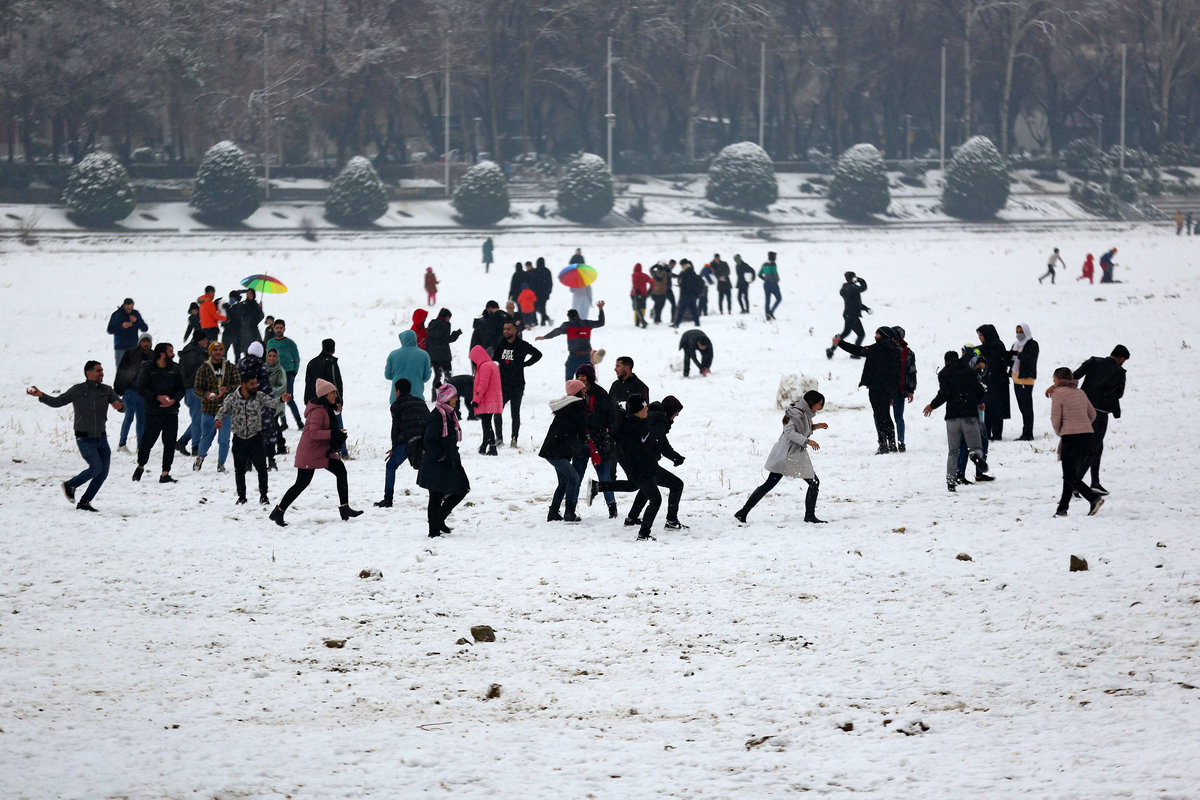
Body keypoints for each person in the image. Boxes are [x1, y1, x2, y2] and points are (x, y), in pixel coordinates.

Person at [27, 360, 124, 511]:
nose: (101, 373)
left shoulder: (106, 390)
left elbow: (122, 405)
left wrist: (121, 406)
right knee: (96, 467)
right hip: (84, 438)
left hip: (101, 438)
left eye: (102, 370)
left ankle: (85, 502)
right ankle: (70, 485)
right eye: (98, 371)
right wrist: (41, 395)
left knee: (103, 473)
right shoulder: (78, 390)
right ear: (88, 373)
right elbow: (58, 401)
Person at [270, 378, 361, 526]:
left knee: (340, 471)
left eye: (335, 392)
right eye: (332, 393)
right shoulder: (318, 411)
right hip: (310, 453)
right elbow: (314, 433)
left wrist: (336, 434)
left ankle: (345, 508)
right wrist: (333, 434)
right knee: (301, 483)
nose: (335, 395)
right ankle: (279, 511)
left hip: (322, 451)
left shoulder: (326, 409)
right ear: (324, 395)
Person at [734, 390, 827, 523]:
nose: (821, 407)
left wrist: (816, 426)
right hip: (788, 455)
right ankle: (809, 516)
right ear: (811, 403)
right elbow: (789, 432)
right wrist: (808, 441)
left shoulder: (802, 413)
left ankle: (742, 513)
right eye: (819, 404)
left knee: (770, 484)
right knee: (813, 482)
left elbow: (801, 429)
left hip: (790, 454)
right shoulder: (796, 414)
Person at [1054, 344, 1128, 495]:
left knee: (1093, 447)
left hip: (1083, 409)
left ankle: (1094, 482)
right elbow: (1119, 394)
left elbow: (1074, 376)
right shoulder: (1120, 372)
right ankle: (1078, 483)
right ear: (1121, 359)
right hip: (1100, 413)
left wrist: (1056, 386)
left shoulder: (1094, 361)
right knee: (1093, 449)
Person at [589, 395, 660, 540]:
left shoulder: (639, 422)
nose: (647, 408)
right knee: (655, 499)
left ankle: (599, 487)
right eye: (644, 406)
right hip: (641, 471)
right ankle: (643, 534)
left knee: (633, 487)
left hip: (645, 469)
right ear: (638, 410)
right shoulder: (631, 428)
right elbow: (634, 452)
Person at [216, 373, 290, 505]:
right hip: (239, 439)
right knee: (239, 471)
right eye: (252, 384)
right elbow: (222, 410)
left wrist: (281, 400)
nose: (255, 386)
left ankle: (264, 496)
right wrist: (218, 420)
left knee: (262, 469)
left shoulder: (259, 396)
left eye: (256, 383)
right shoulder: (232, 398)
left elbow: (272, 403)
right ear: (243, 384)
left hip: (256, 438)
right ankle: (242, 497)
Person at [923, 350, 990, 492]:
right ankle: (975, 455)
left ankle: (951, 482)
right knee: (976, 447)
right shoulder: (970, 372)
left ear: (946, 361)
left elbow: (944, 393)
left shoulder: (944, 373)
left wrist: (932, 406)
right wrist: (977, 401)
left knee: (953, 451)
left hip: (952, 418)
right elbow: (980, 391)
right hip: (969, 416)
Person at [832, 327, 901, 454]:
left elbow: (858, 350)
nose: (875, 336)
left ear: (883, 335)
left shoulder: (876, 349)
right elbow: (897, 374)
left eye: (877, 334)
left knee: (879, 416)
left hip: (875, 388)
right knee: (886, 416)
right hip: (887, 389)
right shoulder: (896, 351)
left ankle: (883, 445)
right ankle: (892, 444)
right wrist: (893, 391)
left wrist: (840, 343)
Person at [625, 395, 688, 530]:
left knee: (648, 487)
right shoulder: (658, 419)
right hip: (647, 464)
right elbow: (661, 443)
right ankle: (670, 521)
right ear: (670, 410)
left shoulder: (654, 416)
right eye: (676, 412)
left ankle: (632, 518)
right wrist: (676, 458)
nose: (677, 415)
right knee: (676, 485)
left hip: (644, 463)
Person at [1049, 367, 1104, 517]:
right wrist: (1084, 425)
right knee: (1070, 475)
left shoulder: (1058, 393)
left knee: (1069, 476)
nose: (1053, 381)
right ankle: (1062, 509)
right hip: (1087, 437)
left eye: (1054, 378)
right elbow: (1092, 414)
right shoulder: (1080, 393)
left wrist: (1060, 431)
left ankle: (1094, 498)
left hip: (1071, 437)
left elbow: (1055, 417)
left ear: (1059, 379)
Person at [416, 383, 470, 537]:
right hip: (437, 463)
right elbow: (429, 441)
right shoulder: (437, 416)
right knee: (436, 495)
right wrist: (442, 456)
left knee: (462, 488)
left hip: (449, 460)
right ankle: (433, 530)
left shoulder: (448, 414)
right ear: (447, 398)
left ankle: (439, 519)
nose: (457, 399)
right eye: (454, 397)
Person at [132, 342, 185, 484]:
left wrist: (174, 399)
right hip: (153, 412)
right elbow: (140, 387)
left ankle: (165, 473)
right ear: (162, 353)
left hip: (171, 412)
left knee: (169, 443)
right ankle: (140, 466)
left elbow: (182, 389)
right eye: (170, 351)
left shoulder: (176, 369)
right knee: (147, 442)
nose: (173, 354)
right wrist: (156, 397)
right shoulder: (148, 368)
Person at [573, 363, 619, 519]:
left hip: (599, 442)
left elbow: (611, 416)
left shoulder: (601, 394)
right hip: (580, 441)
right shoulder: (574, 394)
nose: (581, 378)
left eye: (583, 376)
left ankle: (612, 508)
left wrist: (607, 430)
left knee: (605, 476)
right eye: (578, 376)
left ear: (590, 377)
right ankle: (571, 507)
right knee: (576, 477)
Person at [375, 378, 430, 508]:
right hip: (424, 440)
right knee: (427, 467)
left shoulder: (396, 405)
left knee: (390, 466)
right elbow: (429, 421)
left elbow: (396, 428)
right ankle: (441, 494)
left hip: (408, 442)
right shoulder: (420, 402)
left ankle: (388, 499)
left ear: (397, 390)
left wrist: (394, 447)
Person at [539, 379, 589, 522]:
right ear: (578, 392)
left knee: (564, 482)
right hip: (556, 453)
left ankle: (553, 513)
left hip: (555, 451)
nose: (585, 392)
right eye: (583, 390)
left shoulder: (568, 407)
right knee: (573, 478)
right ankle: (569, 512)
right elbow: (583, 427)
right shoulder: (575, 408)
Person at [192, 341, 239, 472]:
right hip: (209, 409)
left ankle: (221, 464)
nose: (218, 352)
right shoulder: (204, 369)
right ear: (211, 352)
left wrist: (227, 389)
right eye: (215, 350)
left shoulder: (230, 367)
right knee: (207, 437)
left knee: (224, 440)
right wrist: (206, 394)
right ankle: (200, 457)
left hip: (225, 409)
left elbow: (238, 384)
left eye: (220, 350)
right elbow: (197, 388)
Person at [494, 320, 542, 447]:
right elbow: (494, 359)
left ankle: (514, 438)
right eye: (504, 329)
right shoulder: (501, 343)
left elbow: (538, 354)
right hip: (502, 385)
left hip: (517, 384)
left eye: (509, 329)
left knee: (515, 413)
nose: (506, 331)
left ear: (515, 331)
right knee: (497, 411)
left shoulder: (521, 344)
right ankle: (499, 438)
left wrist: (525, 364)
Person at [537, 301, 606, 380]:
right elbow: (601, 322)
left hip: (574, 356)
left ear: (569, 317)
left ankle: (571, 387)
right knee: (585, 380)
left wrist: (545, 337)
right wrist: (601, 309)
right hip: (586, 357)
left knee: (569, 379)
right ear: (578, 315)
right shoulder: (587, 323)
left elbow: (556, 331)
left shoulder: (568, 325)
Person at [114, 332, 153, 452]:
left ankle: (140, 445)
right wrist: (118, 388)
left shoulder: (153, 356)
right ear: (139, 342)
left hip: (144, 393)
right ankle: (122, 444)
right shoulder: (130, 354)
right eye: (144, 341)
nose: (146, 344)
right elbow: (121, 370)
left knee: (142, 420)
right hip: (130, 391)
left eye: (148, 341)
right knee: (129, 417)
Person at [174, 331, 210, 457]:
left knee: (201, 419)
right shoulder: (191, 353)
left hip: (200, 389)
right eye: (204, 339)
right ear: (199, 340)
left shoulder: (199, 352)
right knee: (198, 419)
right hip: (193, 390)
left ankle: (182, 442)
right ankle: (196, 447)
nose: (206, 341)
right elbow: (186, 372)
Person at [265, 319, 304, 430]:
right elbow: (268, 357)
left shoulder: (290, 343)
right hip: (275, 373)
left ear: (284, 329)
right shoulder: (270, 342)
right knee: (278, 398)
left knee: (289, 398)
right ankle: (283, 422)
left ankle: (299, 422)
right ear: (274, 329)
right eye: (277, 328)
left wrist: (294, 372)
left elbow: (296, 359)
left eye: (281, 328)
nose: (279, 330)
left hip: (288, 373)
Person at [975, 324, 1010, 440]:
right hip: (989, 383)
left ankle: (996, 434)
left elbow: (995, 362)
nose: (980, 338)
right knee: (988, 409)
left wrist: (984, 363)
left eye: (981, 335)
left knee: (997, 410)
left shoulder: (997, 345)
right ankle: (987, 432)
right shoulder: (985, 347)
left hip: (998, 383)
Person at [826, 272, 870, 359]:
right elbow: (864, 288)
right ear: (851, 278)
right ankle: (854, 353)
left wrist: (865, 308)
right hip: (852, 316)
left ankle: (832, 349)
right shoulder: (852, 288)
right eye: (854, 277)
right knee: (859, 334)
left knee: (847, 333)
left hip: (849, 315)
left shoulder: (847, 287)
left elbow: (855, 303)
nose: (855, 278)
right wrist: (861, 280)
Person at [469, 344, 502, 455]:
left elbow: (482, 385)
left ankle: (492, 447)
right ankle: (484, 446)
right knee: (487, 423)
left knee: (487, 424)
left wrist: (476, 400)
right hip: (491, 400)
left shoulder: (484, 367)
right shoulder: (491, 364)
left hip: (487, 400)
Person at [1009, 323, 1039, 440]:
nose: (1019, 334)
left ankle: (1028, 432)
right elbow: (1011, 359)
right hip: (1016, 379)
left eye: (1021, 332)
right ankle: (1025, 431)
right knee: (1022, 406)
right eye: (1017, 332)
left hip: (1027, 380)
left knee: (1027, 407)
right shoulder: (1015, 345)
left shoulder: (1032, 344)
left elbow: (1031, 358)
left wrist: (1019, 354)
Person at [384, 329, 432, 404]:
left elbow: (388, 375)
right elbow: (426, 377)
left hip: (397, 397)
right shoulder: (424, 355)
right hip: (417, 396)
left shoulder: (393, 354)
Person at [891, 326, 916, 452]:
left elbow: (911, 372)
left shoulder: (907, 353)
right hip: (899, 389)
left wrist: (911, 390)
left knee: (896, 417)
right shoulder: (907, 352)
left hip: (896, 389)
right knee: (898, 417)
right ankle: (900, 442)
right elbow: (912, 372)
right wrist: (911, 389)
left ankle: (897, 442)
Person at [426, 308, 462, 393]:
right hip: (443, 355)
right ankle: (447, 394)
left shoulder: (432, 324)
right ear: (447, 317)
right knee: (448, 375)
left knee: (437, 376)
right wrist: (456, 334)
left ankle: (435, 394)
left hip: (433, 355)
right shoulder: (445, 324)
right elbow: (446, 339)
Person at [107, 297, 148, 368]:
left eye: (130, 308)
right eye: (127, 309)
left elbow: (144, 328)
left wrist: (136, 321)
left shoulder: (136, 314)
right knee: (121, 371)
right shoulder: (117, 314)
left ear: (133, 305)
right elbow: (110, 330)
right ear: (123, 305)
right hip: (120, 347)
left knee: (135, 371)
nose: (129, 310)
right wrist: (122, 326)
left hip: (134, 347)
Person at [225, 287, 263, 360]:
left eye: (251, 293)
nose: (249, 295)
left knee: (255, 352)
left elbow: (259, 318)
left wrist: (260, 310)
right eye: (248, 293)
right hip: (243, 332)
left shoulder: (256, 305)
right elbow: (236, 312)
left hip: (253, 332)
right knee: (243, 351)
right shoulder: (242, 304)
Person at [671, 260, 704, 328]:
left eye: (681, 265)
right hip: (693, 295)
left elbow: (686, 284)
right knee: (694, 310)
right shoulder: (692, 272)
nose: (681, 266)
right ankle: (697, 323)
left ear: (683, 264)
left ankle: (676, 324)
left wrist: (681, 285)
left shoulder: (685, 273)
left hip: (686, 295)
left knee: (681, 310)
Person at [759, 251, 781, 320]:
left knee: (767, 300)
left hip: (766, 284)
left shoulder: (764, 264)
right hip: (773, 284)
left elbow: (759, 274)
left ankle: (767, 316)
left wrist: (765, 279)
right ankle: (771, 312)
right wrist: (777, 280)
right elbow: (775, 274)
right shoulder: (773, 264)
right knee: (779, 298)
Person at [630, 263, 653, 328]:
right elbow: (652, 282)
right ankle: (638, 322)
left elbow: (635, 283)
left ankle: (642, 321)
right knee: (641, 307)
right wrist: (650, 290)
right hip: (644, 294)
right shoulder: (644, 275)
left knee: (637, 308)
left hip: (637, 294)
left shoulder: (634, 275)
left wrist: (636, 289)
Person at [532, 256, 554, 325]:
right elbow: (550, 283)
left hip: (536, 293)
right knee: (543, 307)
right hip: (544, 293)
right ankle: (544, 321)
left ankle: (543, 320)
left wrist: (533, 291)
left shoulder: (535, 271)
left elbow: (532, 282)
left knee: (537, 308)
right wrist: (549, 292)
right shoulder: (547, 271)